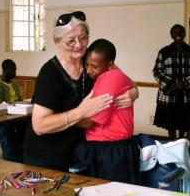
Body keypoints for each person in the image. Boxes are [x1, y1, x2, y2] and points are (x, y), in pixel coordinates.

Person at [23, 11, 138, 171]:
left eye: (83, 38)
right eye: (70, 40)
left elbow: (123, 78)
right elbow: (39, 125)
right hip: (45, 158)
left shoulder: (90, 62)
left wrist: (134, 92)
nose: (79, 45)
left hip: (78, 155)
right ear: (58, 42)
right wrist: (81, 112)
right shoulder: (50, 73)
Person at [71, 39, 139, 184]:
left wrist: (60, 119)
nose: (89, 70)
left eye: (94, 66)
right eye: (87, 64)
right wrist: (135, 90)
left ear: (110, 64)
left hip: (109, 150)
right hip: (113, 147)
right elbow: (131, 82)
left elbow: (88, 121)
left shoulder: (110, 77)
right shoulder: (111, 75)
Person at [153, 24, 190, 140]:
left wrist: (185, 83)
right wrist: (170, 84)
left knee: (184, 123)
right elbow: (157, 71)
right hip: (168, 94)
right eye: (175, 33)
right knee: (170, 123)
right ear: (171, 35)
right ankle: (172, 142)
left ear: (184, 34)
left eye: (180, 32)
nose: (178, 35)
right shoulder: (164, 52)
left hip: (186, 95)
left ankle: (180, 142)